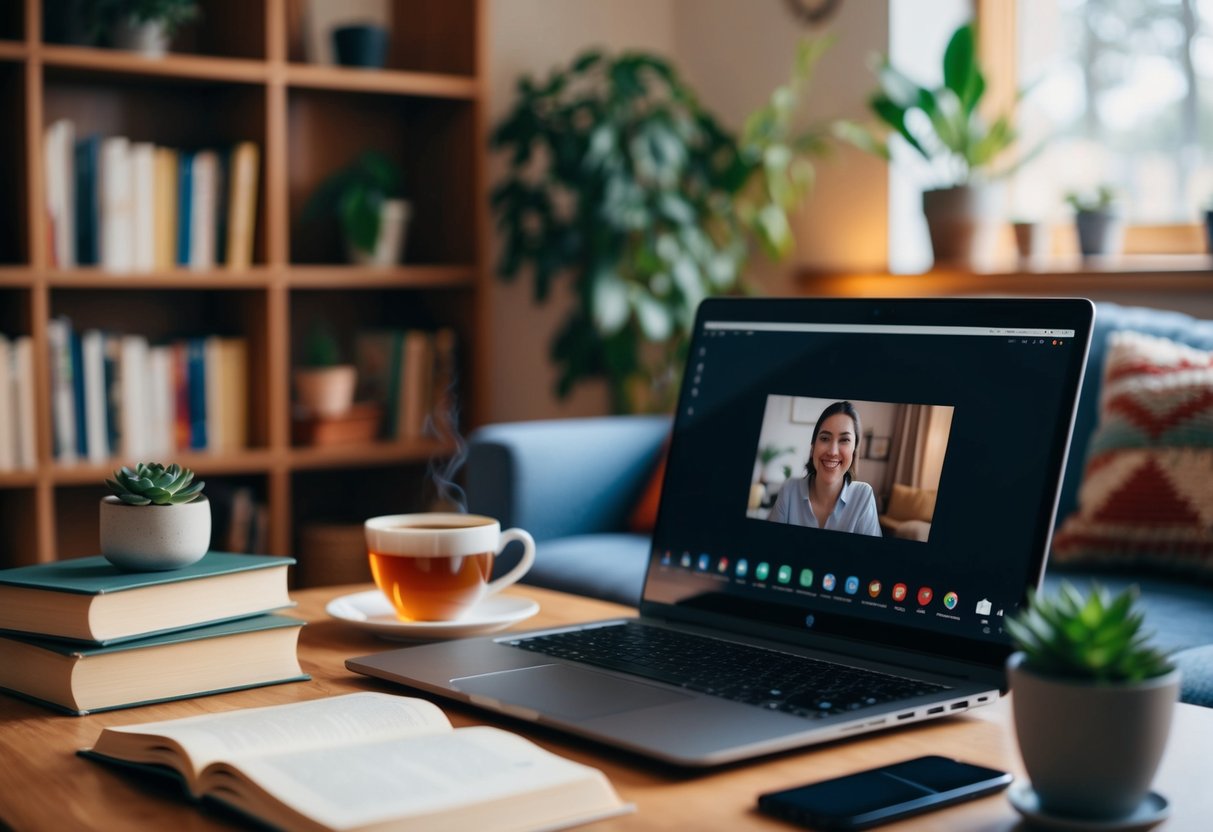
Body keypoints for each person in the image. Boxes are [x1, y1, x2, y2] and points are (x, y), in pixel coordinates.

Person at [768, 401, 882, 536]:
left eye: (844, 440)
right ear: (813, 447)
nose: (833, 451)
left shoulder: (863, 495)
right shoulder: (789, 489)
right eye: (825, 438)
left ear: (854, 450)